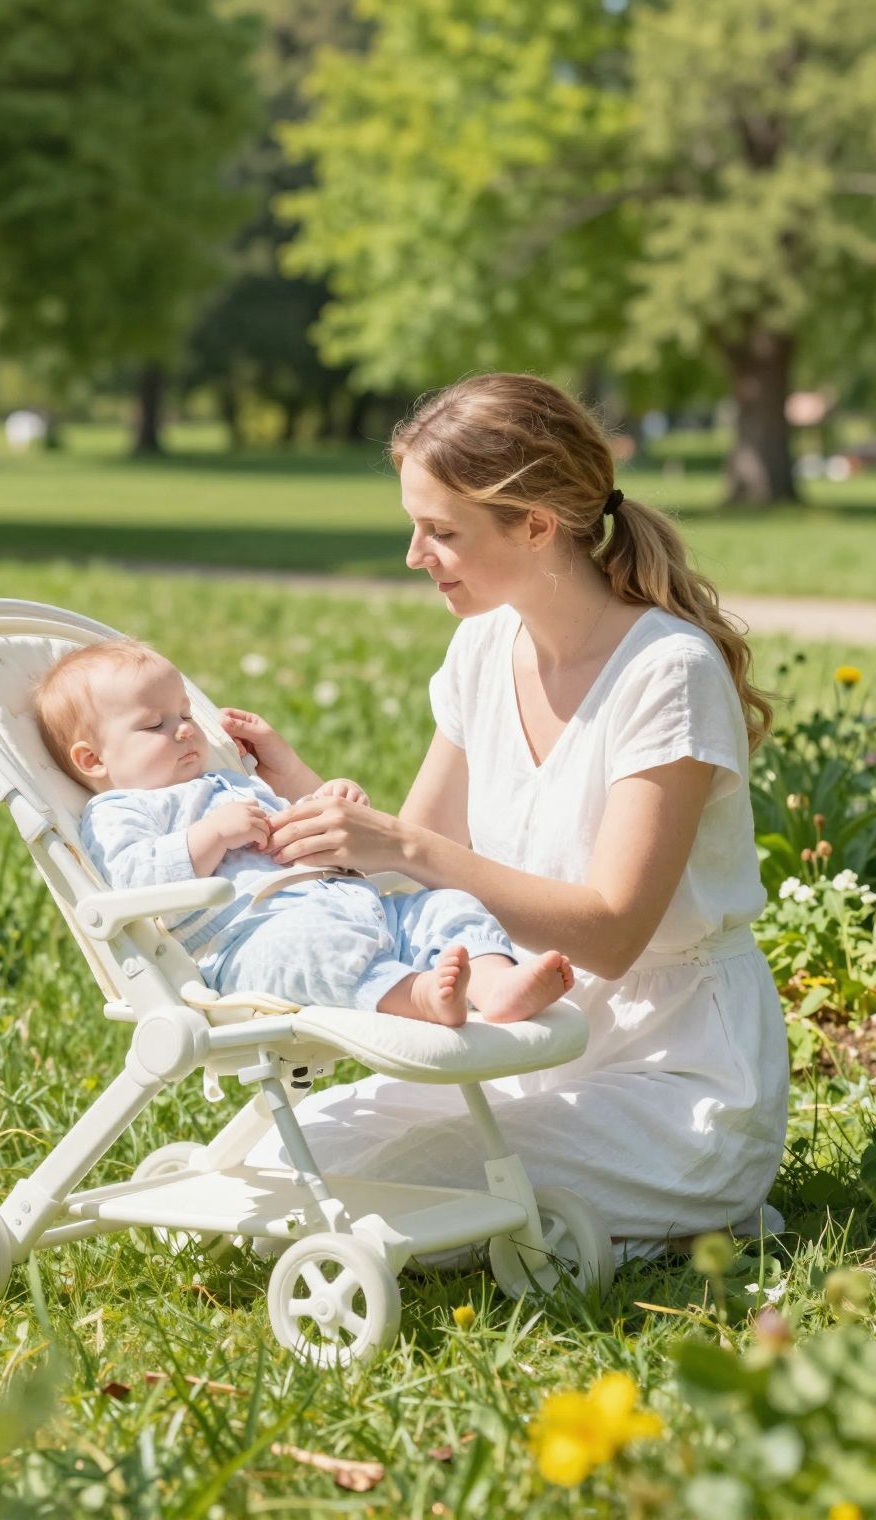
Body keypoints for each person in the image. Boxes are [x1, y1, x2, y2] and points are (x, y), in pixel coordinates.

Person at [258, 374, 789, 1257]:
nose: (415, 555)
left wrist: (408, 845)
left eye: (442, 531)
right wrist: (301, 792)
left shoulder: (667, 672)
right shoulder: (482, 646)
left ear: (537, 525)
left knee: (362, 1205)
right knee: (286, 1166)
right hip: (524, 1042)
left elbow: (614, 933)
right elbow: (408, 869)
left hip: (677, 1075)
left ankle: (699, 1201)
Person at [32, 641, 573, 1027]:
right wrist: (210, 837)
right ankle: (420, 995)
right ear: (92, 760)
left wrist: (325, 800)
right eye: (155, 725)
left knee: (447, 903)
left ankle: (496, 983)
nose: (184, 729)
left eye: (183, 713)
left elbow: (298, 825)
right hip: (248, 941)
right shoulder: (116, 811)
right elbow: (131, 881)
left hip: (354, 902)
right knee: (314, 950)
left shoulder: (227, 781)